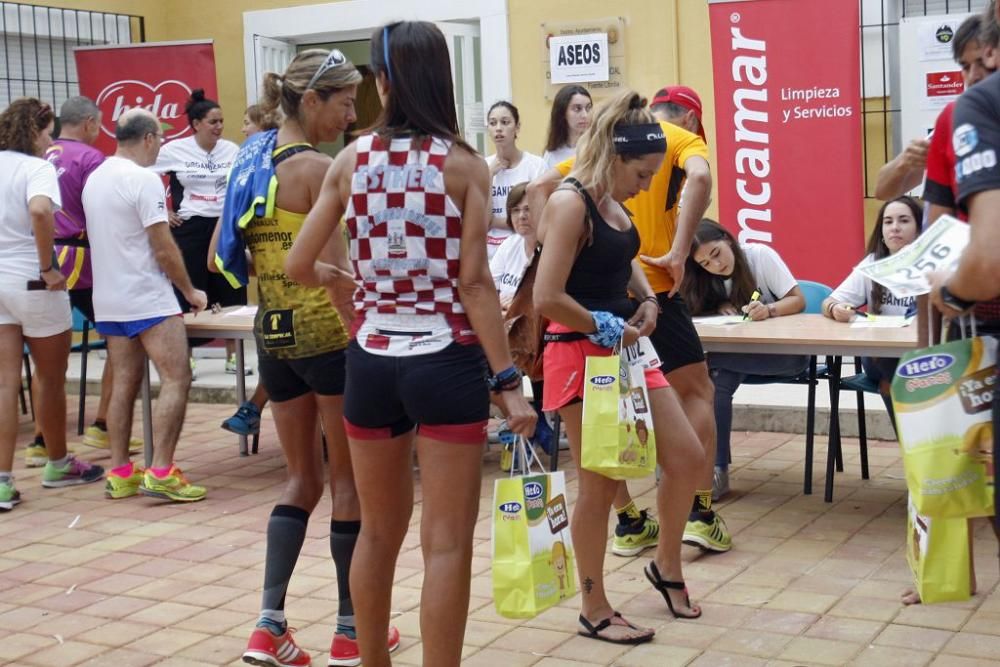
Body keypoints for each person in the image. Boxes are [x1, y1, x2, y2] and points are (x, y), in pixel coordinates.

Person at [284, 21, 536, 667]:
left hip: (370, 361)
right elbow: (477, 285)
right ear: (443, 79)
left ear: (384, 81)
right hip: (446, 362)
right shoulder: (464, 165)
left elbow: (299, 264)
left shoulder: (349, 159)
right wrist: (509, 385)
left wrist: (353, 302)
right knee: (446, 542)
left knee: (377, 531)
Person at [216, 50, 399, 667]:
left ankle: (268, 627)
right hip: (329, 340)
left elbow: (238, 257)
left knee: (302, 479)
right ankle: (350, 629)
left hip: (272, 339)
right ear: (311, 101)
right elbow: (346, 270)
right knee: (346, 483)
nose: (352, 115)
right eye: (345, 102)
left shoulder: (250, 159)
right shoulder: (321, 169)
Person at [534, 89, 703, 644]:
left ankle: (667, 565)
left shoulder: (612, 202)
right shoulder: (568, 203)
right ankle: (594, 605)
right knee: (601, 485)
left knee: (687, 456)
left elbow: (623, 256)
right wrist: (604, 325)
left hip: (627, 347)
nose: (650, 183)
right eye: (643, 172)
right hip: (582, 356)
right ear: (613, 155)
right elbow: (546, 295)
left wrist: (648, 300)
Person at [81, 108, 207, 504]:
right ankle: (163, 470)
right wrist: (189, 291)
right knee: (177, 377)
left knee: (124, 383)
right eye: (160, 140)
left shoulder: (95, 178)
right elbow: (163, 246)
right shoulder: (143, 179)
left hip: (109, 299)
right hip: (146, 295)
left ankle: (121, 472)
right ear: (149, 138)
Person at [0, 97, 105, 511]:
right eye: (47, 134)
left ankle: (3, 480)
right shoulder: (35, 168)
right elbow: (41, 210)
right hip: (32, 280)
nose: (50, 142)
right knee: (50, 376)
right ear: (34, 132)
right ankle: (58, 462)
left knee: (6, 382)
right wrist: (48, 267)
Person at [928, 0, 1000, 572]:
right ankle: (945, 571)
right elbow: (936, 237)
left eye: (985, 63)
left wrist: (953, 292)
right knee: (964, 454)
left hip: (977, 300)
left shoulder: (978, 108)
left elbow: (981, 256)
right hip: (979, 326)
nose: (978, 76)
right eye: (968, 67)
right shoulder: (957, 118)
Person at [40, 96, 142, 461]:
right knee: (121, 339)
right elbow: (105, 210)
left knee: (45, 353)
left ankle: (40, 441)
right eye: (98, 126)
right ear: (87, 124)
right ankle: (103, 426)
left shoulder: (37, 154)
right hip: (80, 259)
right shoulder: (90, 158)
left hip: (40, 258)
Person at [681, 220, 807, 497]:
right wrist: (721, 305)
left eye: (716, 253)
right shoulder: (704, 279)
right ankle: (716, 472)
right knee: (716, 382)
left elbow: (797, 300)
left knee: (710, 370)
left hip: (786, 356)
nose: (715, 265)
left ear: (728, 239)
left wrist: (770, 310)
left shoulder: (759, 256)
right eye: (705, 263)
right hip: (736, 358)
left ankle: (706, 469)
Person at [153, 89, 244, 375]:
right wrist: (161, 210)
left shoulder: (232, 149)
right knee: (189, 288)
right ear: (196, 124)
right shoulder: (174, 150)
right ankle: (187, 356)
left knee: (230, 287)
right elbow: (142, 174)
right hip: (190, 226)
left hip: (224, 225)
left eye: (221, 121)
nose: (219, 127)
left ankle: (234, 357)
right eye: (212, 121)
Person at [822, 196, 922, 417]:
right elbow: (829, 301)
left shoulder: (931, 265)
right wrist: (835, 309)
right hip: (881, 356)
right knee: (895, 368)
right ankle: (914, 444)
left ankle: (913, 444)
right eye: (888, 222)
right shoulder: (872, 263)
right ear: (882, 230)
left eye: (904, 220)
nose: (895, 227)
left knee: (903, 375)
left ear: (918, 229)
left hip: (920, 353)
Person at [212, 107, 275, 437]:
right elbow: (216, 261)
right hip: (274, 314)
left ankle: (253, 406)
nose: (241, 130)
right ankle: (253, 407)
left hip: (310, 319)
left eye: (247, 122)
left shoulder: (278, 181)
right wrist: (232, 199)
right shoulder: (251, 187)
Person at [489, 182, 555, 461]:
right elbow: (490, 290)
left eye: (528, 209)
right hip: (509, 333)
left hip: (543, 335)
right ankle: (527, 422)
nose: (522, 216)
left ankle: (537, 417)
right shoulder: (508, 246)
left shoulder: (551, 248)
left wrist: (514, 306)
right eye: (515, 210)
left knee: (534, 348)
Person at [923, 14, 990, 224]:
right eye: (965, 66)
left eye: (982, 63)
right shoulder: (950, 117)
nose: (973, 76)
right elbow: (939, 221)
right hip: (972, 252)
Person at [485, 101, 547, 259]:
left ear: (517, 127)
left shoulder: (536, 165)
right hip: (489, 251)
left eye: (505, 122)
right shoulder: (483, 166)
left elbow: (537, 218)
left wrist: (495, 221)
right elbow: (482, 222)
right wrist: (489, 175)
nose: (498, 128)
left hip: (524, 247)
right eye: (493, 123)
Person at [542, 85, 593, 168]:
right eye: (577, 109)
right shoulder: (552, 154)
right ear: (562, 113)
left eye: (588, 108)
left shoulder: (599, 147)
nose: (585, 115)